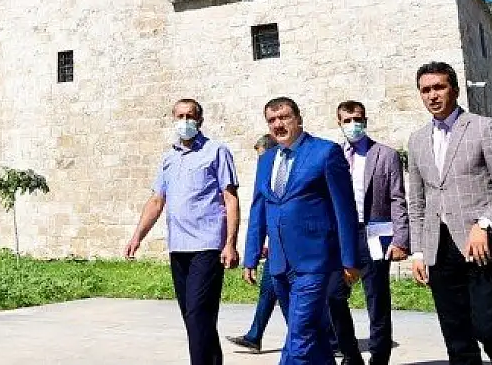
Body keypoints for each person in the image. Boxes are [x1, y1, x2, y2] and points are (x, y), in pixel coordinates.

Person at [407, 62, 492, 365]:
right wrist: (419, 251)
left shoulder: (483, 128)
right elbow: (418, 202)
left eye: (439, 87)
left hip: (481, 248)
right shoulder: (418, 140)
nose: (433, 95)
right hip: (439, 250)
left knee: (488, 328)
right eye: (426, 90)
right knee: (456, 335)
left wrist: (485, 224)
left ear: (455, 90)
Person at [242, 97, 359, 365]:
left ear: (298, 119)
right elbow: (259, 208)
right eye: (272, 120)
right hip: (280, 263)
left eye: (284, 117)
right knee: (314, 334)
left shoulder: (325, 152)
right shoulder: (267, 159)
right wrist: (250, 256)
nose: (278, 124)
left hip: (315, 261)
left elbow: (345, 209)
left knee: (300, 334)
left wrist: (350, 259)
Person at [125, 98, 240, 365]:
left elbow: (230, 198)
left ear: (199, 121)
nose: (185, 121)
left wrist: (230, 243)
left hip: (208, 245)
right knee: (193, 315)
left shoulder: (216, 151)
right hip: (178, 246)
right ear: (173, 119)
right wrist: (137, 236)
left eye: (190, 116)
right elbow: (157, 200)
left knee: (199, 312)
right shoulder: (168, 158)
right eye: (180, 116)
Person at [325, 101, 409, 365]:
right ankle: (350, 355)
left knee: (377, 299)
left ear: (366, 120)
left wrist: (401, 238)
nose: (353, 125)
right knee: (333, 296)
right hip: (341, 236)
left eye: (357, 119)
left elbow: (398, 198)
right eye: (347, 120)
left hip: (375, 234)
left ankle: (379, 357)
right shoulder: (332, 154)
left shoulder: (385, 154)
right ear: (339, 123)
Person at [228, 134, 279, 354]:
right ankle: (254, 336)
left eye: (261, 156)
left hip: (296, 249)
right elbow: (260, 214)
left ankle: (332, 340)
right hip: (275, 249)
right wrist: (253, 255)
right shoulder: (266, 171)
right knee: (268, 292)